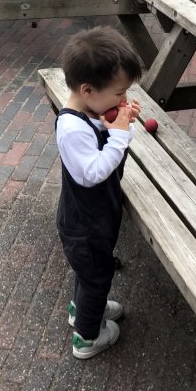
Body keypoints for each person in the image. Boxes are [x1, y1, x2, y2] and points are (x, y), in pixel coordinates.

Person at [55, 26, 141, 359]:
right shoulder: (72, 128)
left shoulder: (89, 113)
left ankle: (83, 309)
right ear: (87, 89)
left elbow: (105, 136)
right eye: (119, 94)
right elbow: (93, 173)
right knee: (96, 274)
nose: (122, 100)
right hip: (85, 225)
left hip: (92, 219)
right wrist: (119, 135)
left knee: (90, 272)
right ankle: (87, 338)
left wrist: (123, 123)